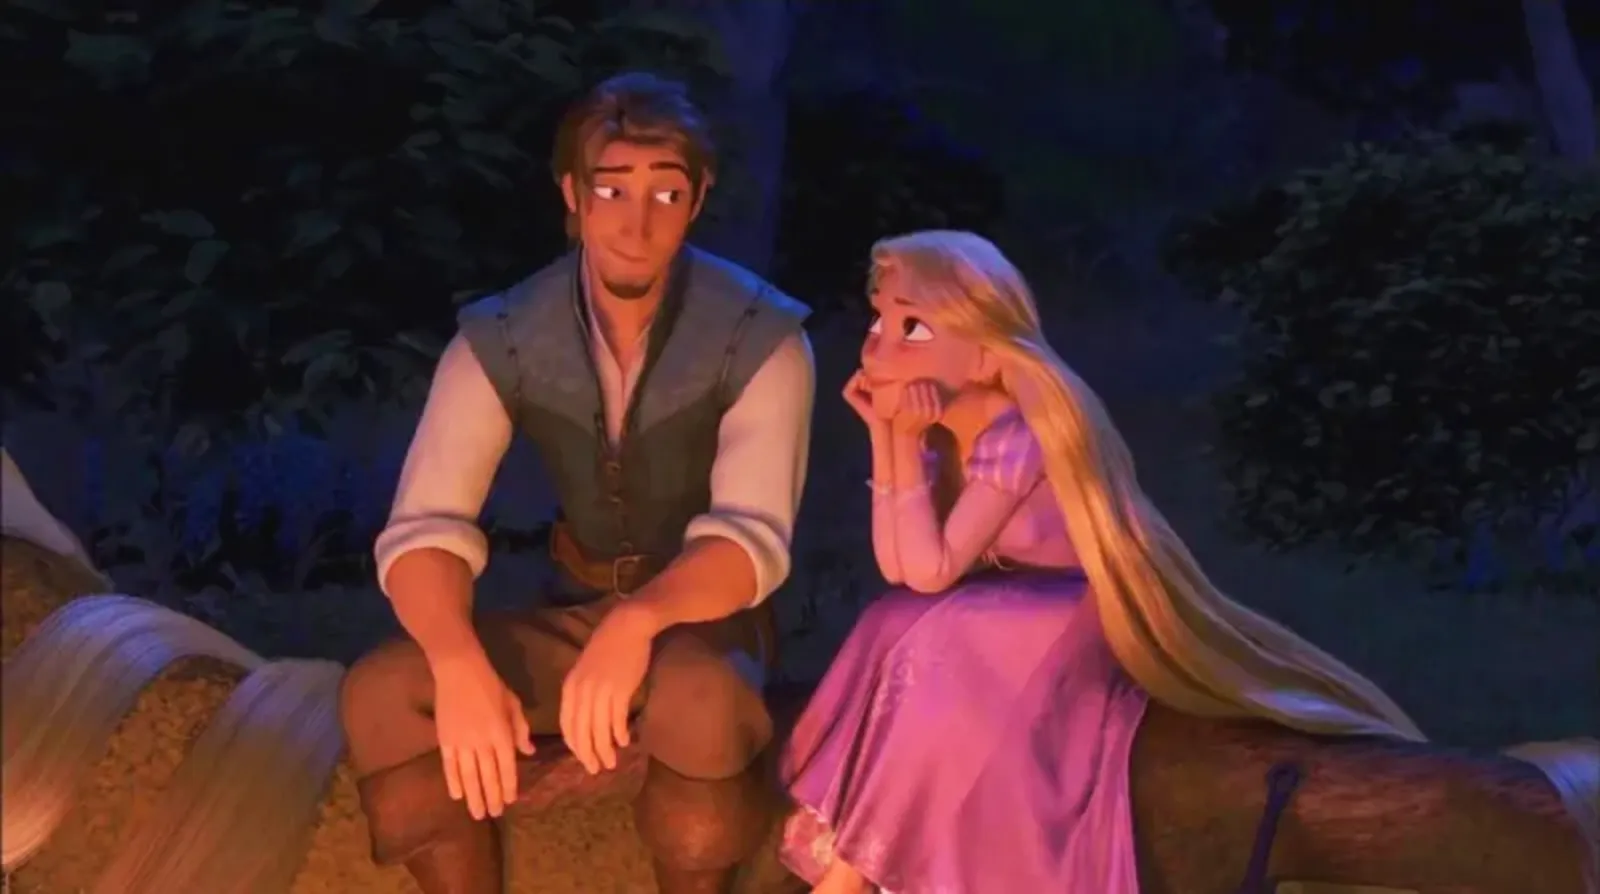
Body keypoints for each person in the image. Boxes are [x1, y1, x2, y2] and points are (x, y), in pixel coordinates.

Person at [777, 230, 1424, 894]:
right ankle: (856, 859)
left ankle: (858, 874)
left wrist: (903, 438)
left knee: (950, 635)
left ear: (984, 352)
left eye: (913, 327)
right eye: (879, 320)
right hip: (1000, 601)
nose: (878, 344)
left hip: (1065, 608)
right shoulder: (941, 428)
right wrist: (888, 435)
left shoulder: (1019, 432)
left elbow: (934, 569)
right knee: (891, 619)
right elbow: (901, 570)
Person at [338, 72, 816, 894]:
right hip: (574, 615)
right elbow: (425, 527)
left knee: (701, 699)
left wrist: (641, 620)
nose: (637, 223)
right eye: (611, 189)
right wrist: (455, 657)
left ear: (698, 199)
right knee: (385, 692)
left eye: (666, 194)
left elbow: (750, 539)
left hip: (707, 622)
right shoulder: (504, 336)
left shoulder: (762, 337)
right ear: (572, 193)